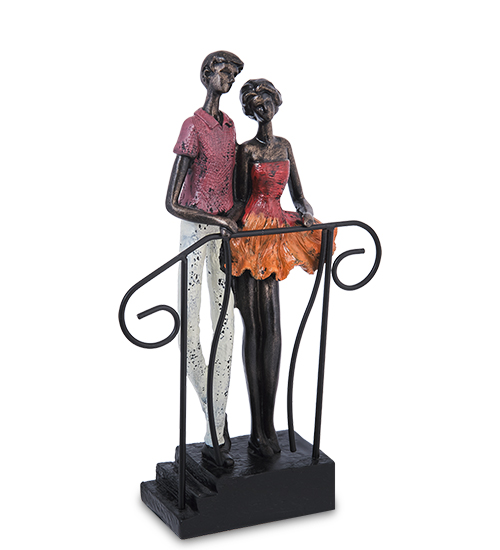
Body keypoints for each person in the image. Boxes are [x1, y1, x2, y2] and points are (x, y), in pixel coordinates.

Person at [231, 79, 337, 458]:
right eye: (257, 106)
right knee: (256, 326)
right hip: (253, 231)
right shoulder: (246, 150)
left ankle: (269, 422)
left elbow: (299, 195)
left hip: (277, 227)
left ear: (276, 104)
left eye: (268, 103)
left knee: (273, 324)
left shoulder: (285, 146)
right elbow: (240, 199)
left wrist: (306, 212)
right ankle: (258, 428)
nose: (265, 111)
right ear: (250, 111)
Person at [166, 51, 244, 468]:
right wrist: (216, 220)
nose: (228, 78)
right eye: (223, 71)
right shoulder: (193, 126)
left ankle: (216, 426)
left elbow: (234, 186)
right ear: (206, 74)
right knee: (190, 329)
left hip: (224, 235)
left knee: (226, 326)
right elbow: (172, 202)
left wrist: (233, 217)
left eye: (233, 73)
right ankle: (215, 414)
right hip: (196, 233)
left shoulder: (229, 127)